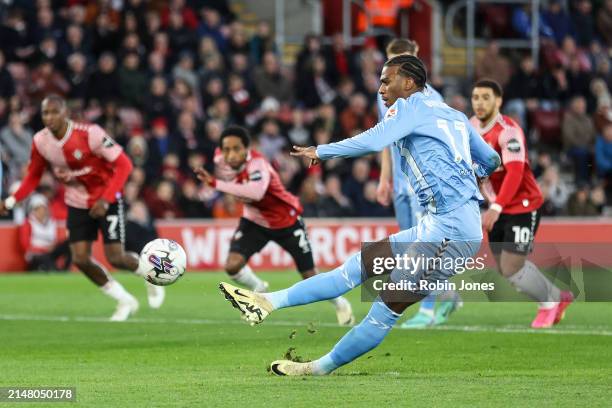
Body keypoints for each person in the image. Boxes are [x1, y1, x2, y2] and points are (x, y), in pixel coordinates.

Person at [219, 55, 501, 376]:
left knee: (384, 308)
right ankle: (266, 302)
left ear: (408, 83)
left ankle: (317, 368)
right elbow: (491, 159)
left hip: (449, 232)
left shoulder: (408, 107)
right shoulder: (455, 115)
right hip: (441, 226)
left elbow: (375, 139)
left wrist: (322, 150)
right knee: (353, 269)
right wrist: (471, 176)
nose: (380, 87)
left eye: (386, 80)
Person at [0, 95, 165, 321]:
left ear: (65, 113)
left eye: (54, 112)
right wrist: (10, 201)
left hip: (106, 198)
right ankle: (124, 300)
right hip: (77, 201)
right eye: (45, 113)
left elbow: (124, 164)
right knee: (80, 259)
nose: (49, 117)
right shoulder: (40, 141)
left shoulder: (91, 134)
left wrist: (106, 200)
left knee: (115, 257)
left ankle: (150, 275)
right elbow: (33, 177)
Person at [194, 126, 354, 325]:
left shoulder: (258, 165)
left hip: (287, 221)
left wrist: (215, 184)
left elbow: (256, 193)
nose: (231, 154)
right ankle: (259, 287)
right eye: (226, 150)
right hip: (255, 220)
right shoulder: (220, 160)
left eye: (236, 149)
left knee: (309, 276)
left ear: (247, 149)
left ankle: (340, 303)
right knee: (232, 265)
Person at [471, 79, 574, 328]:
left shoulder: (509, 130)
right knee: (508, 270)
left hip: (522, 204)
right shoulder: (469, 128)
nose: (480, 103)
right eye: (475, 97)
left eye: (486, 97)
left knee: (512, 265)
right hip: (497, 206)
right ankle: (557, 297)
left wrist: (496, 207)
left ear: (499, 101)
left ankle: (549, 303)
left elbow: (515, 172)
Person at [375, 38, 461, 328]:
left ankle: (427, 309)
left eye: (403, 59)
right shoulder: (385, 93)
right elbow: (386, 138)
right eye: (392, 61)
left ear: (416, 58)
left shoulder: (431, 98)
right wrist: (385, 178)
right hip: (400, 184)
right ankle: (448, 293)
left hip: (421, 185)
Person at [19, 193, 71, 271]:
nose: (42, 211)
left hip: (50, 252)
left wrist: (54, 245)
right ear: (33, 210)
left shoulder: (52, 222)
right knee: (47, 262)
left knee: (70, 244)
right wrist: (44, 249)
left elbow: (55, 240)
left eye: (44, 208)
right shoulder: (28, 223)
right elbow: (25, 245)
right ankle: (55, 270)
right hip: (36, 254)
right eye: (39, 209)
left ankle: (66, 269)